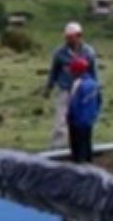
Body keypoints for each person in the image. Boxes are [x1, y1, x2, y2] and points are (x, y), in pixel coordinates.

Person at [43, 21, 100, 149]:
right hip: (65, 89)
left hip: (82, 91)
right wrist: (48, 87)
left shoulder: (88, 52)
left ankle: (80, 145)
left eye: (71, 37)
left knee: (81, 119)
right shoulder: (60, 53)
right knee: (61, 118)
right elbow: (54, 71)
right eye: (67, 38)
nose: (69, 40)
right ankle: (58, 146)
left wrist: (95, 88)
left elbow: (93, 71)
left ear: (79, 36)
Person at [66, 56, 102, 164]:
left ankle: (79, 167)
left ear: (76, 71)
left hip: (77, 121)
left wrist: (69, 116)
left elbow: (74, 104)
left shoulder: (78, 84)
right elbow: (99, 100)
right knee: (87, 143)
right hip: (89, 119)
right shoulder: (94, 83)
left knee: (77, 148)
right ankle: (89, 164)